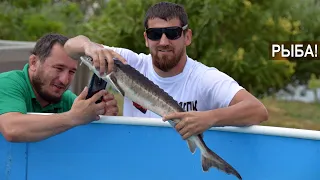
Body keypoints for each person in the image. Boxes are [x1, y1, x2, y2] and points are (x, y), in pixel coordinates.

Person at [64, 2, 269, 140]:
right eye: (155, 34)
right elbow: (70, 47)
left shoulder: (205, 78)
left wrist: (209, 118)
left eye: (172, 33)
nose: (163, 42)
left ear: (187, 37)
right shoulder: (127, 62)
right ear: (146, 38)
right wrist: (89, 46)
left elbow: (257, 111)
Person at [0, 33, 119, 142]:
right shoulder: (8, 83)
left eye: (72, 72)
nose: (64, 80)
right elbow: (12, 129)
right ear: (33, 62)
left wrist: (102, 117)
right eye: (58, 68)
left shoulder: (66, 99)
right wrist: (73, 117)